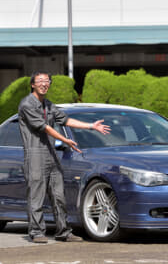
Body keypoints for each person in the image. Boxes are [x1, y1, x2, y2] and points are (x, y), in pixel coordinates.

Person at [18, 71, 110, 243]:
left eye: (47, 81)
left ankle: (63, 232)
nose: (44, 84)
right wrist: (64, 139)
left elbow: (66, 121)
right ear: (33, 84)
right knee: (36, 196)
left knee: (59, 195)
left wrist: (91, 126)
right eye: (40, 81)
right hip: (35, 155)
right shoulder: (27, 104)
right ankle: (36, 232)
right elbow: (45, 127)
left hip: (52, 155)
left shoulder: (49, 105)